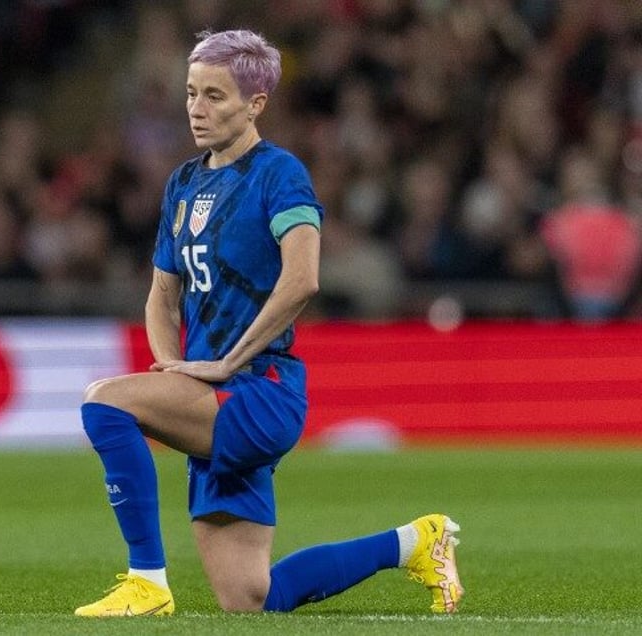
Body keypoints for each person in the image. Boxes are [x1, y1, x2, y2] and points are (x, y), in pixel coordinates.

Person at [74, 29, 464, 617]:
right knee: (251, 599)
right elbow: (161, 293)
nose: (196, 110)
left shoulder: (279, 175)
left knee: (105, 402)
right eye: (190, 93)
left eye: (214, 96)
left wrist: (225, 365)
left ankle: (146, 582)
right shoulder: (183, 183)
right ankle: (415, 543)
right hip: (211, 392)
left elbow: (302, 278)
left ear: (256, 104)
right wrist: (172, 369)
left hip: (260, 392)